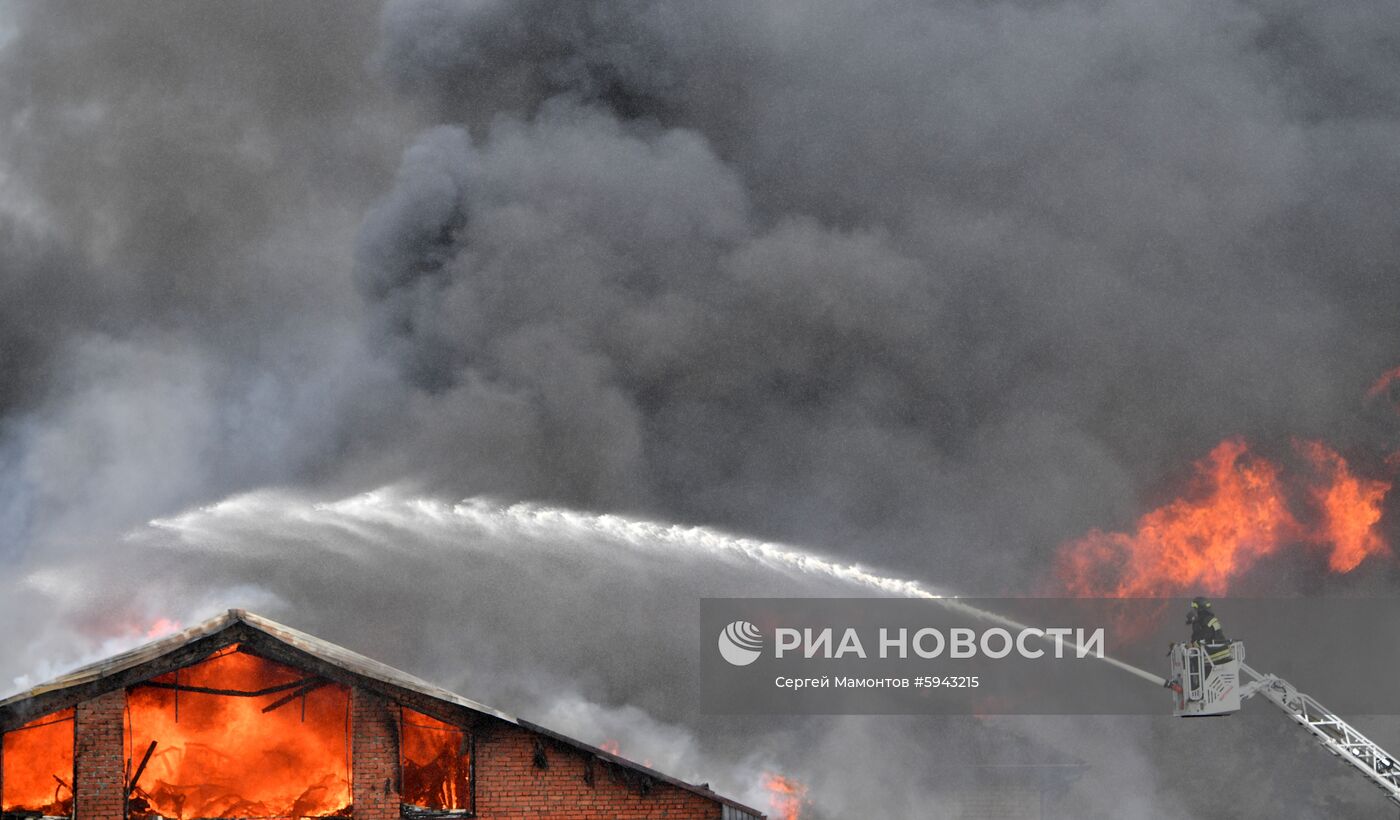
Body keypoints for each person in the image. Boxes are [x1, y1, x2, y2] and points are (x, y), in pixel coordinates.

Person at [1186, 596, 1232, 663]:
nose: (1194, 610)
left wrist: (1191, 646)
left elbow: (1203, 638)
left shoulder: (1204, 622)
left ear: (1200, 609)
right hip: (1222, 652)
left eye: (1195, 608)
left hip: (1214, 655)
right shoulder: (1209, 619)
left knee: (1192, 659)